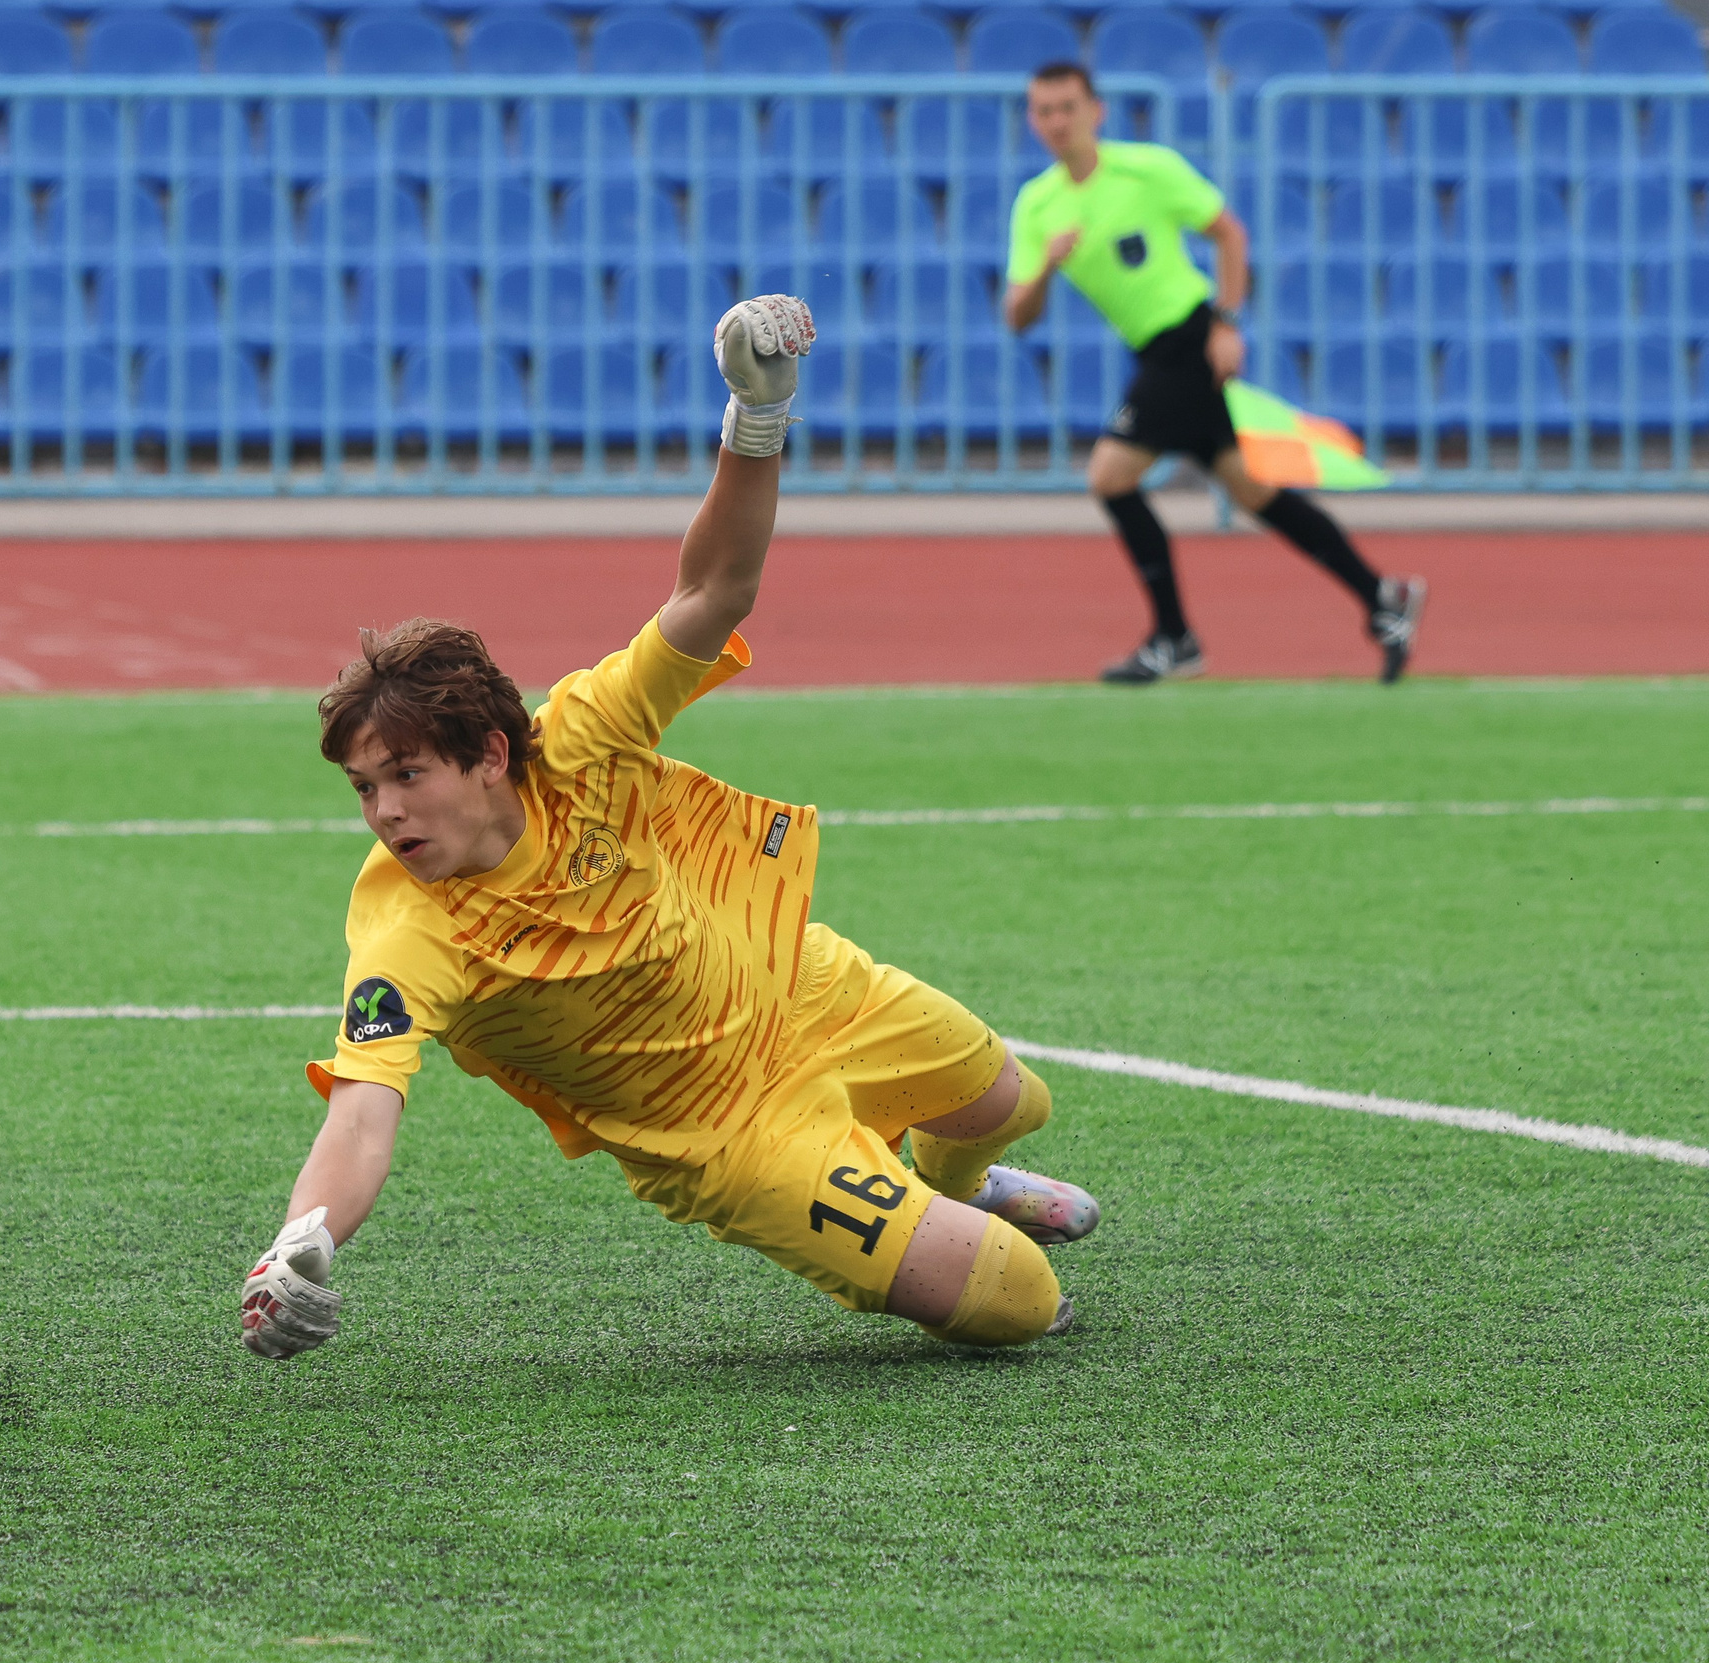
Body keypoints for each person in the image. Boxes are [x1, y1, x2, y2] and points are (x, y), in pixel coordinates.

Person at [240, 296, 1101, 1363]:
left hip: (795, 984)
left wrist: (755, 410)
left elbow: (714, 587)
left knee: (1012, 1101)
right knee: (1019, 1300)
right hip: (730, 1134)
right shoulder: (405, 933)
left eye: (406, 775)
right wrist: (295, 1243)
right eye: (366, 789)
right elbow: (362, 1113)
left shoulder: (582, 737)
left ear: (492, 755)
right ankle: (948, 1214)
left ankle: (956, 1177)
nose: (385, 812)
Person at [1004, 61, 1428, 686]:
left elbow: (1229, 234)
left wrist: (1227, 323)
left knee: (1111, 476)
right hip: (1156, 351)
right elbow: (1017, 314)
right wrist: (1045, 265)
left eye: (1068, 107)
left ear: (1098, 111)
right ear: (1032, 121)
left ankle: (1174, 638)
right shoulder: (1037, 203)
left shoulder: (1147, 169)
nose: (1057, 122)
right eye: (1044, 111)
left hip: (1188, 340)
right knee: (1252, 491)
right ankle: (1382, 598)